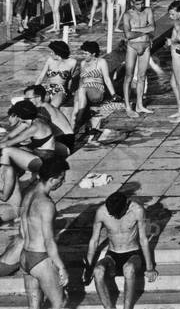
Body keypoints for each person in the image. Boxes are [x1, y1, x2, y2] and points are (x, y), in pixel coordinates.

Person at [86, 190, 158, 309]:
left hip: (133, 254)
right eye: (112, 214)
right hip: (112, 255)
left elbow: (143, 239)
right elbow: (94, 240)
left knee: (128, 269)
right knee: (98, 270)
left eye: (118, 214)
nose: (115, 217)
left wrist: (149, 268)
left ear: (126, 205)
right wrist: (88, 267)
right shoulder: (102, 212)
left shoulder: (137, 210)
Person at [18, 157, 69, 309]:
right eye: (61, 178)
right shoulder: (46, 204)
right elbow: (49, 241)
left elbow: (22, 228)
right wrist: (61, 267)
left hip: (25, 256)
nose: (63, 182)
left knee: (34, 307)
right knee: (61, 303)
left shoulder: (28, 194)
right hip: (40, 258)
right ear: (53, 180)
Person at [0, 102, 63, 202]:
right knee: (14, 152)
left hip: (45, 163)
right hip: (41, 157)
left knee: (7, 151)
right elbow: (9, 136)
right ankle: (11, 185)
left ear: (20, 116)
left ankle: (5, 194)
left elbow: (9, 144)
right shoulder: (34, 121)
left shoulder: (35, 126)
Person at [121, 0, 154, 116]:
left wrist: (135, 30)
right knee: (128, 77)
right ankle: (128, 107)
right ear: (132, 3)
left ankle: (139, 105)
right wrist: (144, 31)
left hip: (145, 47)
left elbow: (152, 28)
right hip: (132, 47)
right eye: (137, 4)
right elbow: (128, 35)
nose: (140, 6)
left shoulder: (148, 11)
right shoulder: (127, 15)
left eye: (141, 4)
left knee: (142, 76)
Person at [74, 42, 116, 127]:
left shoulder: (101, 62)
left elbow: (107, 79)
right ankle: (74, 124)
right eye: (83, 53)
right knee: (78, 94)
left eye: (86, 54)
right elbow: (82, 80)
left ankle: (78, 119)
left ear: (93, 54)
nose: (84, 55)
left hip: (96, 90)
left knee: (81, 90)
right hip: (84, 89)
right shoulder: (83, 63)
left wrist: (113, 94)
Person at [35, 41, 76, 109]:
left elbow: (70, 79)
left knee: (53, 107)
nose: (50, 54)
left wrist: (70, 92)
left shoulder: (72, 62)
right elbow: (41, 77)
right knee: (38, 103)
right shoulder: (50, 60)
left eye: (52, 52)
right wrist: (34, 89)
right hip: (47, 87)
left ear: (58, 53)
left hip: (60, 89)